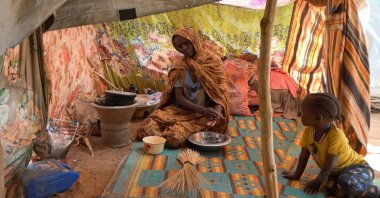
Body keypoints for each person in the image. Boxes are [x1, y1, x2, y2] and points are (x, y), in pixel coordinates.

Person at [137, 27, 230, 148]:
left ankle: (176, 132)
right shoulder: (181, 66)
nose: (184, 48)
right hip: (181, 111)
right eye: (180, 47)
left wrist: (215, 114)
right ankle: (180, 132)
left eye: (186, 43)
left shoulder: (213, 62)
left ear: (194, 40)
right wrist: (203, 110)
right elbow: (179, 98)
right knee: (146, 127)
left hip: (203, 115)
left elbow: (220, 95)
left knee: (173, 138)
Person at [282, 93, 378, 197]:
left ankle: (374, 191)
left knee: (346, 183)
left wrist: (317, 182)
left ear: (318, 117)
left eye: (304, 112)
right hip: (337, 173)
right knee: (329, 187)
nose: (300, 114)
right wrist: (296, 175)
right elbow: (304, 156)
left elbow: (328, 167)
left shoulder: (336, 136)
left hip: (359, 168)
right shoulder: (309, 132)